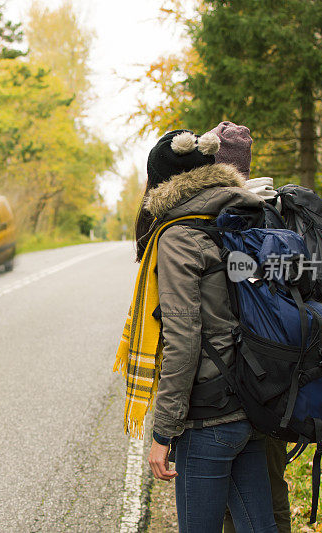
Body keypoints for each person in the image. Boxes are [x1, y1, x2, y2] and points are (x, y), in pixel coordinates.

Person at [115, 127, 277, 532]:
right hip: (251, 403)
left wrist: (163, 433)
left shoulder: (178, 236)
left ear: (161, 183)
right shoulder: (239, 215)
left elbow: (184, 342)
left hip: (208, 418)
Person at [205, 122, 292, 533]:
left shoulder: (213, 221)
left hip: (227, 383)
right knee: (271, 492)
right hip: (275, 377)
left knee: (225, 497)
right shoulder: (278, 215)